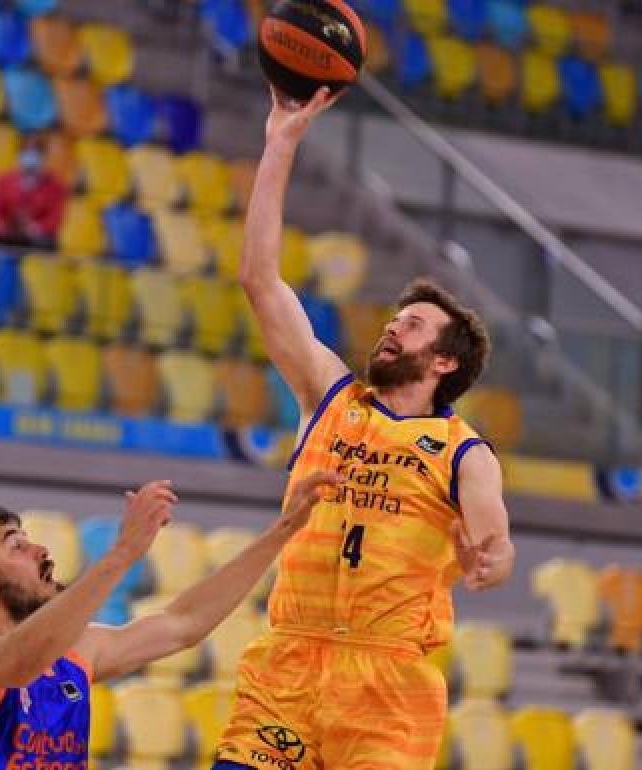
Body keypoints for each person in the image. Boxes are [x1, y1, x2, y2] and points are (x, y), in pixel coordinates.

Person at [212, 86, 517, 770]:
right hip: (289, 660)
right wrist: (280, 142)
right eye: (393, 318)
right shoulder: (330, 394)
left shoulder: (464, 452)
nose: (390, 326)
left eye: (410, 325)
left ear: (443, 361)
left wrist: (491, 560)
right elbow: (260, 281)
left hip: (386, 684)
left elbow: (494, 538)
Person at [0, 473, 338, 770]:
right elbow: (14, 664)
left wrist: (283, 530)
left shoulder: (75, 653)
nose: (41, 550)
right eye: (16, 545)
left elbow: (183, 623)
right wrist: (123, 553)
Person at [0, 134, 67, 249]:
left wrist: (38, 227)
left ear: (43, 156)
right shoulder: (5, 180)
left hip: (36, 235)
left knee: (46, 244)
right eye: (26, 151)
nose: (30, 156)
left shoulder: (54, 185)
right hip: (9, 231)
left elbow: (56, 216)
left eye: (35, 152)